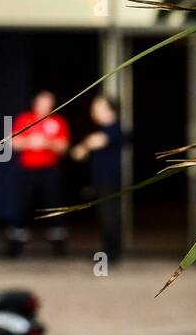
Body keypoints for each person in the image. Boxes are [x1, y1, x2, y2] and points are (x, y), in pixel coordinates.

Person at [8, 90, 71, 256]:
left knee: (54, 204)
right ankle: (16, 243)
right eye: (42, 102)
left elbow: (64, 147)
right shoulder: (25, 119)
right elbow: (13, 143)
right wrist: (30, 141)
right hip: (27, 169)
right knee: (23, 205)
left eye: (48, 102)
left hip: (49, 169)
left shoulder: (58, 121)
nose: (45, 106)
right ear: (35, 103)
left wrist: (47, 143)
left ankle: (58, 244)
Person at [71, 96, 123, 263]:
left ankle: (112, 252)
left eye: (98, 108)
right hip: (101, 180)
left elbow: (96, 142)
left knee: (110, 216)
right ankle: (107, 250)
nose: (93, 112)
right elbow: (78, 153)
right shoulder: (101, 130)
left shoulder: (114, 128)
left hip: (111, 180)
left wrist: (85, 145)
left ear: (110, 110)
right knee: (105, 216)